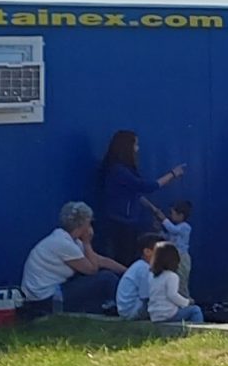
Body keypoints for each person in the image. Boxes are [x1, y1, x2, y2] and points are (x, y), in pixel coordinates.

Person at [18, 202, 128, 318]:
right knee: (106, 279)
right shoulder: (64, 244)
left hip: (53, 292)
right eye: (89, 223)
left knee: (104, 278)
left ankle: (116, 306)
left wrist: (128, 272)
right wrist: (87, 243)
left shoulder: (70, 240)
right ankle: (125, 308)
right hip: (45, 299)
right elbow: (92, 270)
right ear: (82, 224)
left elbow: (101, 261)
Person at [95, 130, 185, 260]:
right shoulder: (119, 170)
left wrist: (152, 208)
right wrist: (173, 174)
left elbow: (135, 192)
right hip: (121, 223)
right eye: (135, 144)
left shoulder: (120, 169)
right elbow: (147, 186)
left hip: (124, 222)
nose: (137, 149)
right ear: (126, 146)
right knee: (124, 258)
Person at [113, 234, 166, 321]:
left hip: (130, 310)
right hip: (133, 311)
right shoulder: (144, 269)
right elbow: (147, 297)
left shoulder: (141, 266)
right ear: (147, 252)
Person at [145, 243, 201, 323]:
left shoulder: (152, 276)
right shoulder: (172, 276)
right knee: (195, 310)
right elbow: (172, 295)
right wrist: (187, 302)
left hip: (155, 315)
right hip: (168, 314)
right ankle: (198, 331)